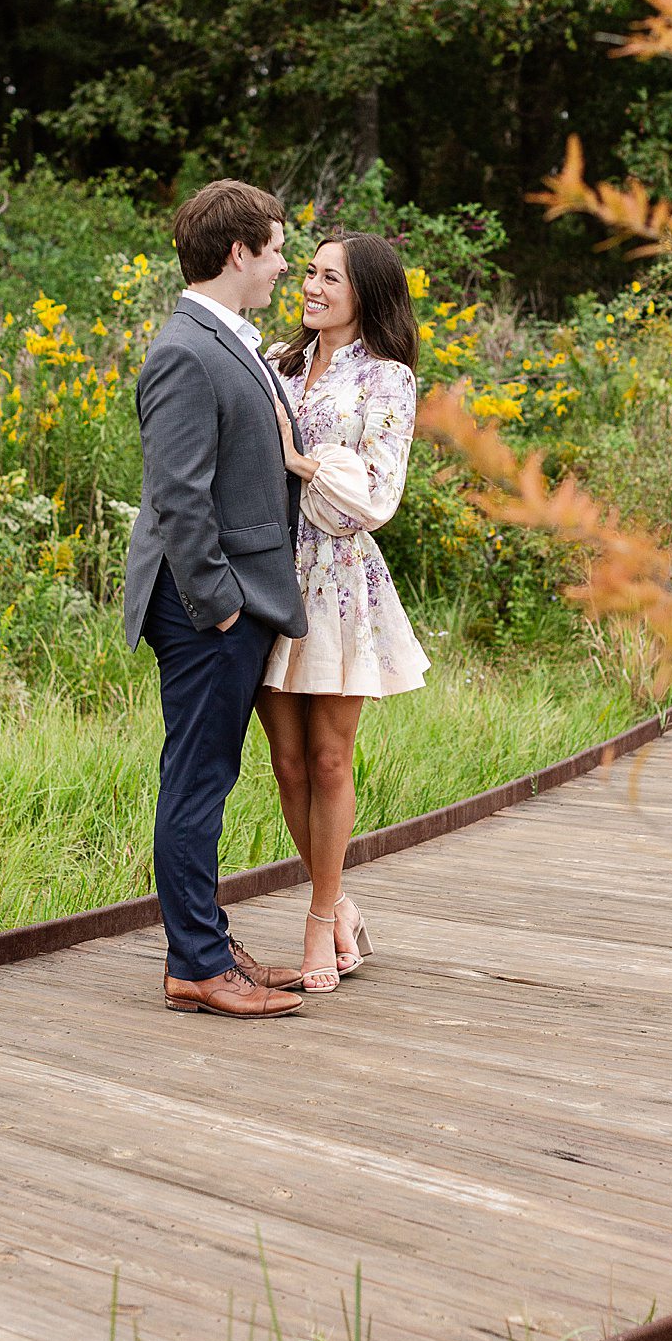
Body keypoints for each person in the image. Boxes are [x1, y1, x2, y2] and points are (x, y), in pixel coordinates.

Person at [124, 179, 310, 1019]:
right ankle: (196, 963)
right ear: (238, 252)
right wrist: (223, 605)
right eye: (274, 249)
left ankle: (206, 939)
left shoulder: (227, 340)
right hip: (205, 606)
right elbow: (178, 497)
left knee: (210, 774)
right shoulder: (184, 350)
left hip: (228, 598)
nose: (283, 265)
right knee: (197, 780)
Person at [258, 233, 429, 993]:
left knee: (329, 759)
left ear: (366, 292)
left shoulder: (388, 380)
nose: (312, 286)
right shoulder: (276, 362)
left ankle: (320, 918)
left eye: (331, 277)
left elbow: (375, 499)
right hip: (267, 575)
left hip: (335, 582)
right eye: (311, 273)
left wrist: (304, 463)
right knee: (286, 763)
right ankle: (345, 902)